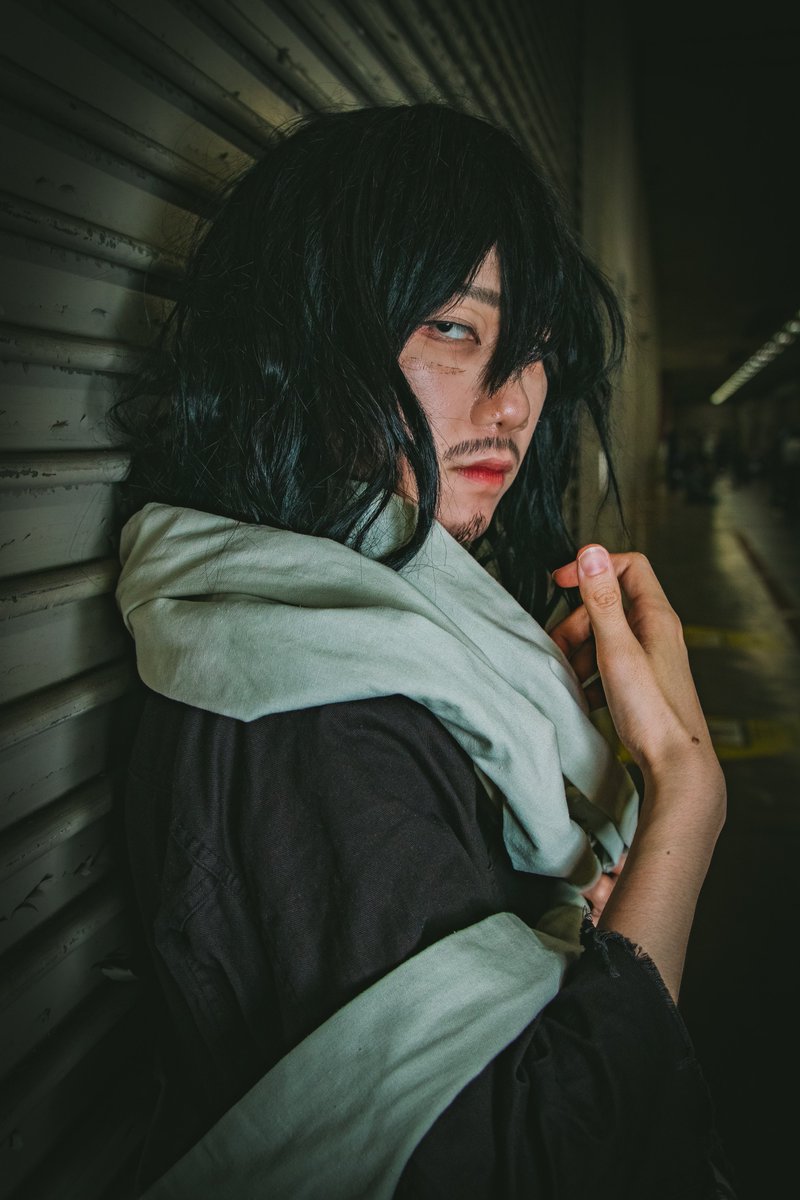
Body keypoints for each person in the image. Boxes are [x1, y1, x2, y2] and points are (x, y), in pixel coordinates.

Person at [113, 103, 736, 1198]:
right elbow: (532, 1165)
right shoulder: (304, 703)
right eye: (453, 329)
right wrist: (683, 798)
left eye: (534, 351)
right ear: (307, 337)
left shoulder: (393, 623)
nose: (515, 400)